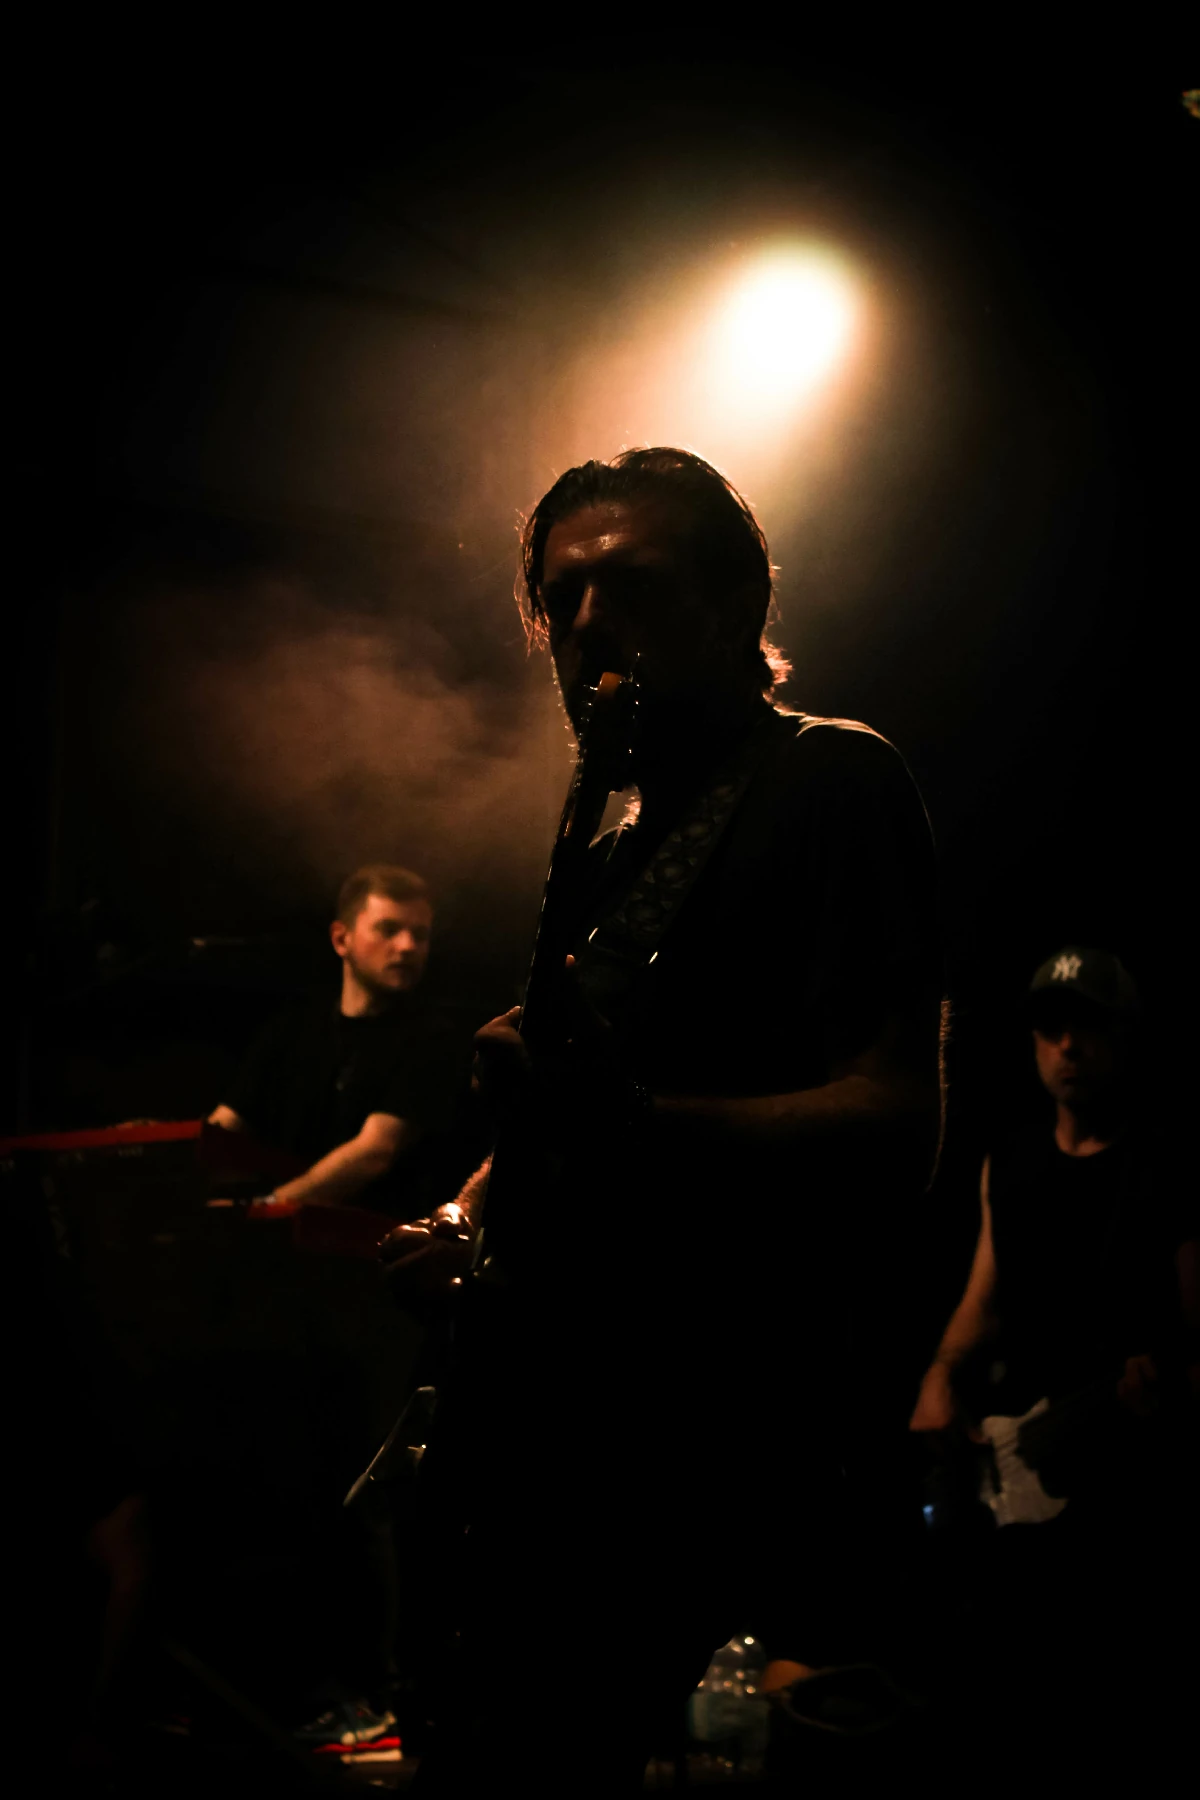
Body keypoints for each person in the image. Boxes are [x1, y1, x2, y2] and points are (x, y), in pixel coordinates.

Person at [383, 448, 945, 1793]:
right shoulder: (614, 840)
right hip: (562, 1427)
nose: (586, 625)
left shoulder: (831, 779)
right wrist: (465, 1212)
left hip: (717, 1437)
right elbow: (580, 1118)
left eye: (628, 585)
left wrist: (629, 1124)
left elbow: (894, 1121)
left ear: (736, 604)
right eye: (560, 598)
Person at [909, 947, 1199, 1774]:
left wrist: (1171, 1395)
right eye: (1051, 1027)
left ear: (1127, 1037)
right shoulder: (1011, 1159)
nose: (1068, 1045)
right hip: (1015, 1469)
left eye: (1089, 1027)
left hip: (1126, 1494)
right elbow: (986, 1297)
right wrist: (939, 1376)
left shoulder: (1169, 1165)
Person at [207, 865, 474, 1751]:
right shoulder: (292, 1033)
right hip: (288, 1298)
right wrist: (172, 1167)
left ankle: (387, 1691)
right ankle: (298, 1685)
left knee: (371, 1493)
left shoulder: (433, 1038)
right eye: (390, 928)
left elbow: (375, 1151)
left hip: (384, 1294)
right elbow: (224, 1130)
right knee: (291, 1484)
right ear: (341, 938)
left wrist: (265, 1209)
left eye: (420, 933)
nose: (408, 946)